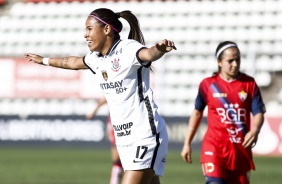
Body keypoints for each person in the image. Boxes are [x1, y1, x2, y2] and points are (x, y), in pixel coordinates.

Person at [25, 8, 176, 184]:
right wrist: (44, 60)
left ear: (106, 29)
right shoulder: (96, 58)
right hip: (125, 139)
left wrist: (159, 50)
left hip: (144, 135)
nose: (85, 35)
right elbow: (72, 62)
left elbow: (148, 54)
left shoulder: (127, 49)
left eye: (89, 28)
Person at [181, 41, 266, 184]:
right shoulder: (208, 85)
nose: (235, 64)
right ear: (219, 62)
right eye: (230, 60)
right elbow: (197, 113)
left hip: (240, 151)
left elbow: (258, 113)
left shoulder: (249, 84)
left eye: (238, 59)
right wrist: (187, 143)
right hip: (214, 148)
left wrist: (255, 130)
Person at [86, 98, 123, 184]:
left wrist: (93, 112)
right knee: (117, 159)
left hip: (123, 121)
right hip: (117, 121)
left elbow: (103, 100)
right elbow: (105, 99)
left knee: (120, 160)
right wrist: (93, 112)